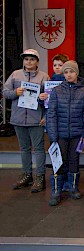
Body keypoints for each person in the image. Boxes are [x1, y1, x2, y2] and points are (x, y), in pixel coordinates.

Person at [3, 49, 49, 192]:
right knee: (24, 149)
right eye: (26, 59)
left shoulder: (44, 77)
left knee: (39, 149)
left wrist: (45, 115)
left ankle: (40, 176)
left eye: (32, 59)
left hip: (36, 119)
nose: (29, 62)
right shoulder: (15, 75)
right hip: (18, 119)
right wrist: (14, 93)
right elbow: (5, 92)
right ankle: (27, 175)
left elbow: (49, 98)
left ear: (37, 62)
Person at [47, 61, 84, 206]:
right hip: (60, 134)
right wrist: (52, 135)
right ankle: (56, 191)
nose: (69, 75)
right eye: (66, 72)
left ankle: (73, 187)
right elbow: (51, 114)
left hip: (77, 134)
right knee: (58, 163)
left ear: (76, 73)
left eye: (71, 72)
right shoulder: (56, 91)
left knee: (74, 161)